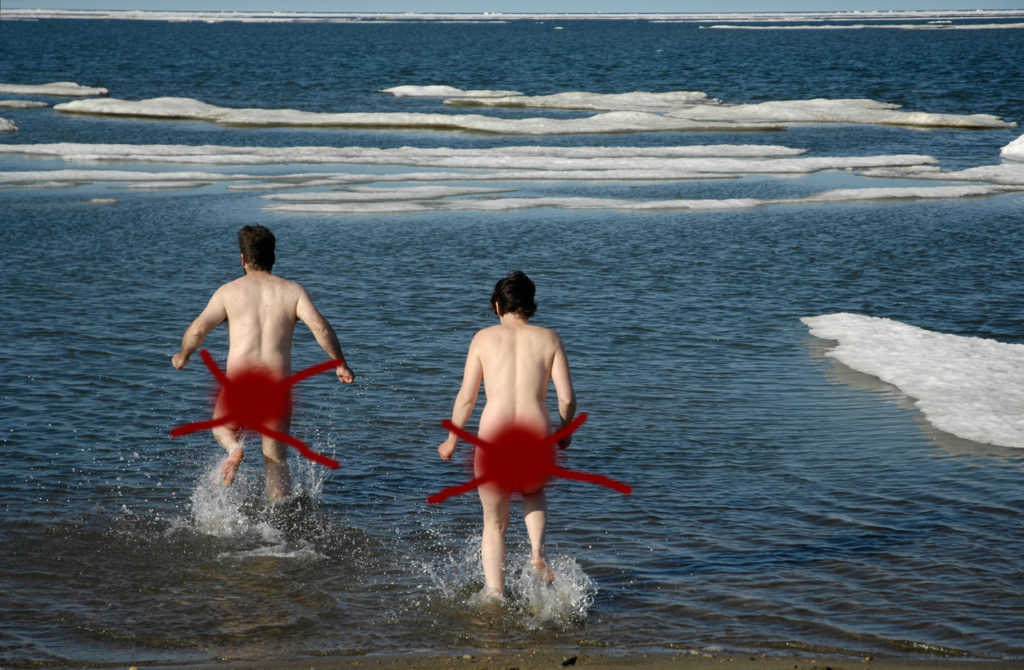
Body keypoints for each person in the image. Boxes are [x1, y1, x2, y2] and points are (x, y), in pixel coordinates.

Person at [172, 225, 354, 501]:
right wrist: (339, 363)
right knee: (276, 460)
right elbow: (320, 327)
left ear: (242, 259)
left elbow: (198, 331)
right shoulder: (292, 291)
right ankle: (280, 523)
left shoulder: (228, 292)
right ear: (274, 256)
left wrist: (183, 356)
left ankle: (234, 449)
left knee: (221, 428)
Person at [438, 271, 576, 599]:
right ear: (530, 306)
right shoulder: (550, 338)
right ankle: (537, 553)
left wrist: (452, 440)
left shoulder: (483, 339)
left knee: (494, 523)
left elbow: (467, 398)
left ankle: (495, 594)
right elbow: (567, 397)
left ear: (498, 306)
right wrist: (563, 428)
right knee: (533, 492)